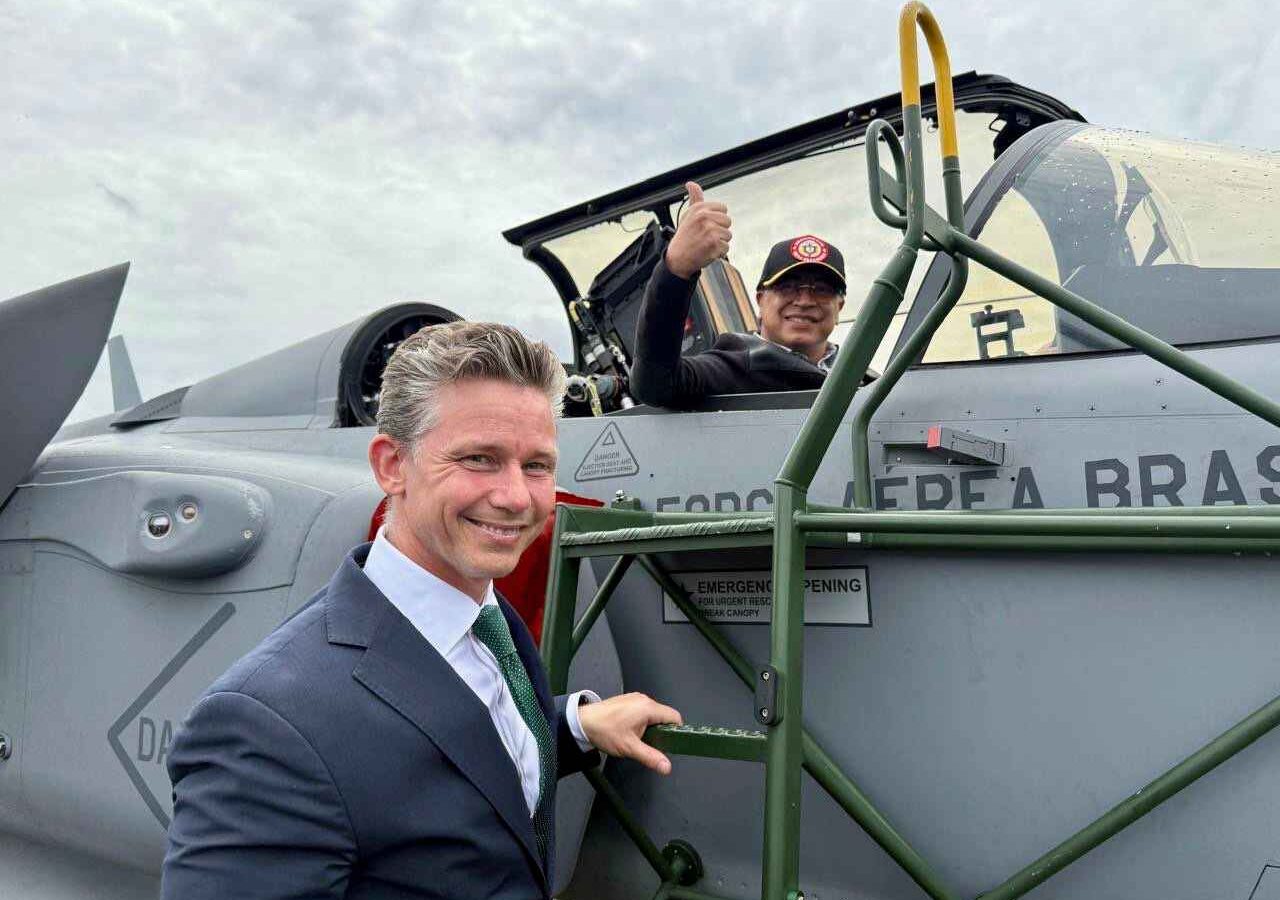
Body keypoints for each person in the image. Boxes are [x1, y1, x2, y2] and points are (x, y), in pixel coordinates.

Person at [161, 322, 682, 900]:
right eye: (479, 459)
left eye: (537, 466)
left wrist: (573, 726)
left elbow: (452, 757)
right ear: (392, 465)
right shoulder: (266, 727)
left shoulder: (489, 622)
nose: (516, 497)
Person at [630, 181, 856, 409]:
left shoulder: (866, 382)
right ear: (760, 300)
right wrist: (677, 267)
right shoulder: (732, 370)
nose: (805, 301)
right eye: (788, 287)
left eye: (822, 290)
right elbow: (654, 384)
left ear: (839, 307)